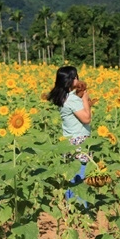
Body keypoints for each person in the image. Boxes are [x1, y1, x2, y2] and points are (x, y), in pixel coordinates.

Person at [47, 65, 92, 207]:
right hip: (79, 142)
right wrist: (84, 96)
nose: (78, 79)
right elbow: (86, 118)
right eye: (75, 77)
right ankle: (80, 209)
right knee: (79, 178)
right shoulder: (71, 100)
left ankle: (69, 207)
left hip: (69, 141)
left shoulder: (65, 97)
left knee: (72, 178)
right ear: (70, 80)